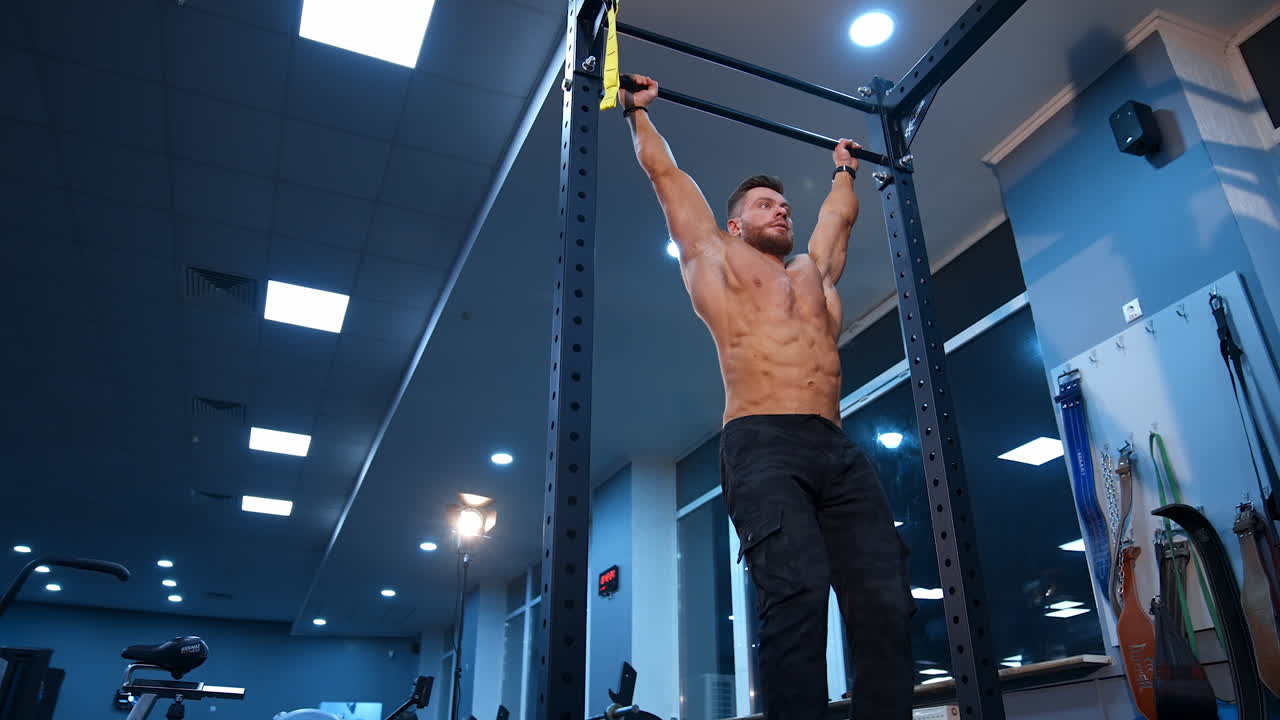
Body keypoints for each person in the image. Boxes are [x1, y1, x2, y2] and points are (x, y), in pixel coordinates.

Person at [620, 74, 914, 720]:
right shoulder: (714, 260)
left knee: (887, 599)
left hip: (835, 448)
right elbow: (669, 180)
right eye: (764, 204)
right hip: (761, 443)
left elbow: (837, 221)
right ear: (734, 222)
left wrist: (845, 171)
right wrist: (637, 116)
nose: (780, 209)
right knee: (797, 593)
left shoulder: (813, 274)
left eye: (783, 204)